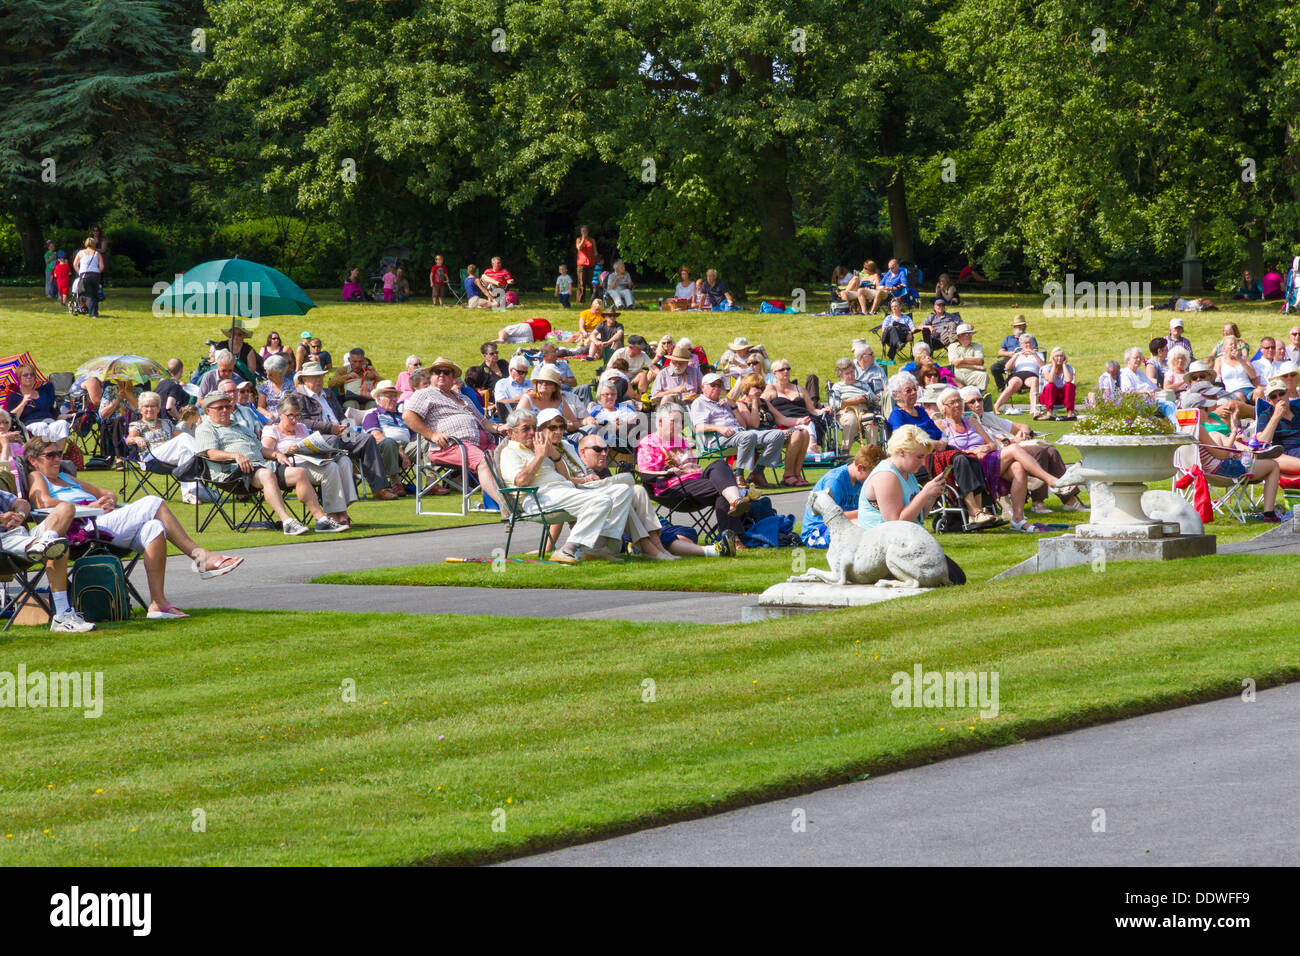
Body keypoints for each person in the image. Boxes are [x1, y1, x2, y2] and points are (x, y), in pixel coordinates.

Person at [25, 435, 245, 616]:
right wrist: (85, 503)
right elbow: (42, 502)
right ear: (34, 460)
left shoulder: (67, 477)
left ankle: (158, 603)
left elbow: (106, 492)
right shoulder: (37, 476)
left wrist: (108, 499)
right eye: (50, 455)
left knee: (154, 528)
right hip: (82, 530)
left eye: (59, 454)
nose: (56, 459)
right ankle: (201, 557)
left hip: (102, 522)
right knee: (153, 502)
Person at [193, 391, 344, 535]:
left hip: (261, 466)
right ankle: (287, 522)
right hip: (232, 473)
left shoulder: (239, 426)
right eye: (220, 407)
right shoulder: (206, 428)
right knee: (267, 474)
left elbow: (261, 449)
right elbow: (211, 453)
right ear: (208, 410)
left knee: (299, 472)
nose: (225, 410)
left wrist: (277, 454)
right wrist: (235, 456)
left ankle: (321, 520)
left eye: (228, 406)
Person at [499, 409, 634, 564]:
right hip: (537, 498)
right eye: (525, 428)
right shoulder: (509, 452)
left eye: (534, 428)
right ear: (511, 432)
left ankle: (600, 549)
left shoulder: (538, 447)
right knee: (601, 500)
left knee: (623, 490)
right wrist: (539, 456)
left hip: (562, 490)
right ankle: (568, 549)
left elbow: (565, 477)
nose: (532, 432)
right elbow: (521, 481)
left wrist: (555, 456)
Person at [573, 432, 733, 558]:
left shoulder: (604, 471)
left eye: (605, 449)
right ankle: (713, 551)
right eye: (597, 449)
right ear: (582, 452)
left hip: (639, 518)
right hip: (623, 525)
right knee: (665, 535)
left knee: (687, 532)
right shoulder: (580, 475)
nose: (603, 453)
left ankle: (637, 548)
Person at [936, 387, 1068, 532]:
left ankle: (1018, 519)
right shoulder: (942, 425)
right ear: (943, 407)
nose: (957, 405)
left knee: (1018, 467)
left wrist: (984, 448)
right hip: (968, 465)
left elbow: (992, 444)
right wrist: (973, 451)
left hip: (987, 458)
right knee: (1014, 449)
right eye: (952, 403)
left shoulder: (971, 420)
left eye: (959, 401)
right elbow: (945, 453)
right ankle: (1051, 480)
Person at [885, 372, 999, 529]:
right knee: (960, 459)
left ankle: (979, 512)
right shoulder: (897, 415)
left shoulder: (921, 412)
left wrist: (942, 441)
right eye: (908, 390)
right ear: (896, 395)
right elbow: (905, 440)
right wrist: (931, 444)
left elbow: (940, 433)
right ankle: (974, 512)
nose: (913, 393)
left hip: (940, 450)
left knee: (970, 458)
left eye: (914, 389)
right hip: (920, 456)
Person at [855, 426, 966, 583]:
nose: (923, 463)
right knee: (948, 578)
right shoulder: (886, 475)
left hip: (903, 546)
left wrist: (932, 496)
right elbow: (896, 525)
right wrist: (924, 493)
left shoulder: (907, 473)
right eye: (919, 457)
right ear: (901, 452)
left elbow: (918, 517)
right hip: (879, 554)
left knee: (956, 577)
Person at [402, 356, 509, 507]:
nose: (441, 374)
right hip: (451, 446)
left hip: (481, 443)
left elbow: (484, 422)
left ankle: (515, 502)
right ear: (431, 375)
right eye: (437, 371)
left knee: (508, 458)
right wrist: (432, 435)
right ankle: (506, 505)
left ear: (453, 377)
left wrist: (499, 427)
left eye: (446, 372)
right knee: (485, 461)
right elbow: (408, 416)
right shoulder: (426, 394)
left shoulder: (463, 397)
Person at [960, 387, 1086, 513]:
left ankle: (1069, 500)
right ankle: (1038, 502)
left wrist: (1024, 433)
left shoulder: (988, 417)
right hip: (1002, 454)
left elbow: (1022, 426)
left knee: (1051, 450)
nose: (978, 404)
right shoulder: (970, 422)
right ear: (963, 406)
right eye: (972, 402)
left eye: (979, 400)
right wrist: (1013, 441)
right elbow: (992, 444)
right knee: (1039, 450)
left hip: (1014, 447)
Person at [636, 404, 752, 540]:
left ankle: (735, 502)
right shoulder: (649, 443)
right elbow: (644, 474)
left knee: (720, 465)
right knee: (721, 488)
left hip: (694, 482)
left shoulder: (682, 441)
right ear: (661, 421)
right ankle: (733, 538)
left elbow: (692, 466)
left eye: (681, 421)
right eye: (675, 421)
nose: (680, 425)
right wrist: (669, 472)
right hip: (671, 488)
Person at [294, 361, 397, 498]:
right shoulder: (298, 397)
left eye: (320, 376)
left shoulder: (328, 393)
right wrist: (331, 428)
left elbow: (341, 416)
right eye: (314, 377)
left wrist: (347, 429)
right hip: (320, 439)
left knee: (367, 439)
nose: (319, 380)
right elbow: (302, 422)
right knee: (334, 440)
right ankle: (347, 492)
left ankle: (380, 489)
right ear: (305, 379)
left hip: (342, 435)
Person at [0, 481, 92, 632]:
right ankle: (62, 615)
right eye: (51, 455)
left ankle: (47, 540)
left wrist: (19, 514)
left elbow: (22, 503)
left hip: (23, 535)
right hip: (4, 543)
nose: (56, 459)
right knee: (58, 548)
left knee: (66, 508)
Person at [262, 393, 358, 523]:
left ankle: (342, 509)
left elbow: (310, 446)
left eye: (297, 416)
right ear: (280, 414)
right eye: (291, 416)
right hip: (290, 467)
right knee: (331, 467)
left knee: (344, 461)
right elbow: (265, 451)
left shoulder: (301, 428)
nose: (295, 420)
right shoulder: (271, 430)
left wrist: (321, 452)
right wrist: (284, 452)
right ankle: (333, 515)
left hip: (311, 461)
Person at [690, 372, 788, 489]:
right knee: (748, 436)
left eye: (719, 385)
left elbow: (743, 425)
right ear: (703, 387)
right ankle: (738, 476)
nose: (717, 388)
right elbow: (698, 428)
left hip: (740, 434)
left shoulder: (724, 402)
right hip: (717, 439)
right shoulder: (699, 403)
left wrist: (733, 407)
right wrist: (719, 428)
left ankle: (757, 473)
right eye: (713, 385)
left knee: (778, 435)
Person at [733, 372, 811, 484]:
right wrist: (755, 402)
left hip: (774, 434)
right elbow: (753, 425)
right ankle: (788, 476)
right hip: (758, 436)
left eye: (761, 387)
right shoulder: (741, 404)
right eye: (755, 387)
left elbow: (782, 419)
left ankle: (796, 474)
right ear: (747, 387)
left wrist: (799, 421)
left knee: (804, 432)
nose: (759, 390)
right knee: (797, 434)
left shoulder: (764, 402)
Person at [799, 446, 883, 547]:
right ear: (860, 468)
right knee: (865, 529)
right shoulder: (835, 481)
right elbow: (830, 519)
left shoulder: (861, 480)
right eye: (872, 474)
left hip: (843, 525)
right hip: (819, 532)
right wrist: (865, 512)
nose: (874, 478)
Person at [126, 390, 200, 500]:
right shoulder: (137, 425)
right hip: (151, 457)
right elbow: (128, 439)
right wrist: (136, 438)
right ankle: (203, 456)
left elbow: (180, 436)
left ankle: (189, 494)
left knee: (186, 452)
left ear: (158, 408)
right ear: (140, 409)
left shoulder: (167, 423)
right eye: (146, 406)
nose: (150, 409)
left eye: (153, 406)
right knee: (184, 438)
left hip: (168, 456)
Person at [762, 359, 822, 457]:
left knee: (808, 423)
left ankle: (811, 446)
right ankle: (811, 449)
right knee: (803, 427)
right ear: (774, 373)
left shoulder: (799, 388)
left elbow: (812, 410)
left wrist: (823, 410)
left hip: (804, 419)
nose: (786, 371)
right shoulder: (771, 388)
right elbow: (762, 403)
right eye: (782, 369)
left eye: (788, 369)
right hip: (784, 423)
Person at [7, 365, 71, 451]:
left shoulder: (43, 393)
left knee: (62, 424)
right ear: (19, 378)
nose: (29, 377)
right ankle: (44, 455)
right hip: (29, 426)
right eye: (25, 375)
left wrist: (66, 416)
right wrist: (23, 402)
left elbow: (52, 411)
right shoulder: (15, 396)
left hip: (49, 423)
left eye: (32, 374)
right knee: (41, 426)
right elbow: (11, 418)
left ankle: (57, 456)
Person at [829, 357, 881, 453]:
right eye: (847, 374)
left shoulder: (863, 385)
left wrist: (867, 398)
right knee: (851, 419)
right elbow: (834, 404)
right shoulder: (838, 386)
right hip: (846, 411)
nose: (850, 376)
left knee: (872, 419)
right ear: (840, 375)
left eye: (852, 372)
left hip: (864, 411)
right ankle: (845, 451)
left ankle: (871, 452)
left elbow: (875, 401)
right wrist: (853, 401)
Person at [519, 366, 589, 433]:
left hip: (560, 437)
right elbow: (518, 422)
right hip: (535, 436)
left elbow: (575, 423)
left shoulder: (559, 401)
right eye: (540, 381)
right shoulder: (528, 399)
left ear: (555, 388)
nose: (544, 384)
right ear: (536, 384)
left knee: (591, 429)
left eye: (548, 382)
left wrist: (570, 426)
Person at [992, 334, 1044, 414]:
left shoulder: (1038, 355)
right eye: (1025, 343)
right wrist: (1015, 356)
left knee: (1034, 381)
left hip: (1032, 374)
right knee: (1013, 383)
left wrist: (1034, 354)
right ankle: (996, 407)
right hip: (1018, 374)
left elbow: (1043, 367)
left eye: (1030, 343)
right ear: (1021, 345)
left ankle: (1033, 408)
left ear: (1033, 344)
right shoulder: (1017, 355)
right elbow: (1007, 367)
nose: (1028, 345)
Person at [991, 315, 1035, 392]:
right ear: (1014, 327)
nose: (1019, 328)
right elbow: (1000, 352)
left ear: (1025, 326)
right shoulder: (1008, 338)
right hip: (1009, 358)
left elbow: (1035, 349)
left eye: (1021, 326)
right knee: (994, 368)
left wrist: (1024, 352)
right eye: (1017, 326)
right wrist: (1009, 354)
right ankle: (1002, 387)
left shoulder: (1030, 338)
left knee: (1018, 367)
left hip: (1024, 358)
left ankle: (1016, 386)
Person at [1036, 347, 1077, 420]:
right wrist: (1054, 365)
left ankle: (1070, 414)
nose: (1059, 358)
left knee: (1069, 386)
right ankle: (1049, 414)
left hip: (1063, 396)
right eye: (1057, 356)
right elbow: (1050, 380)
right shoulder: (1046, 368)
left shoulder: (1069, 367)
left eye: (1061, 356)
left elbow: (1068, 380)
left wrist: (1064, 365)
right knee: (1050, 386)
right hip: (1048, 396)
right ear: (1052, 358)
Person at [947, 323, 988, 395]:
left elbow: (980, 361)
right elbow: (954, 363)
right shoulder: (952, 347)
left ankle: (980, 397)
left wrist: (961, 360)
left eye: (970, 334)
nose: (969, 336)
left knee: (983, 375)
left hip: (972, 374)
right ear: (959, 337)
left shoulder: (977, 346)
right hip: (957, 374)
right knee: (950, 376)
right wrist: (974, 366)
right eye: (966, 334)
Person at [72, 237, 103, 319]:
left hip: (84, 274)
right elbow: (102, 266)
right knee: (94, 293)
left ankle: (92, 314)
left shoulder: (80, 253)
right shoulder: (97, 253)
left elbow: (75, 264)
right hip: (95, 275)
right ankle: (95, 312)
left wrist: (79, 272)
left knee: (88, 294)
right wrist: (97, 272)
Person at [879, 296, 914, 360]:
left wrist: (910, 333)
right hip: (888, 337)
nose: (893, 308)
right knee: (893, 328)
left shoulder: (906, 318)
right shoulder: (888, 318)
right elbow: (883, 330)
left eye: (895, 306)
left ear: (900, 307)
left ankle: (892, 353)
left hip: (902, 337)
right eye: (892, 307)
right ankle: (898, 343)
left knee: (898, 329)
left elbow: (913, 328)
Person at [574, 226, 597, 304]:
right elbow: (579, 248)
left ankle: (593, 300)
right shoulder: (578, 239)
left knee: (592, 282)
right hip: (581, 264)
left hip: (591, 264)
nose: (584, 232)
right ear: (581, 232)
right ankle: (580, 300)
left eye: (586, 231)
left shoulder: (592, 240)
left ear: (588, 231)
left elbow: (595, 252)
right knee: (581, 283)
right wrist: (583, 239)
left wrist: (598, 262)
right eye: (583, 231)